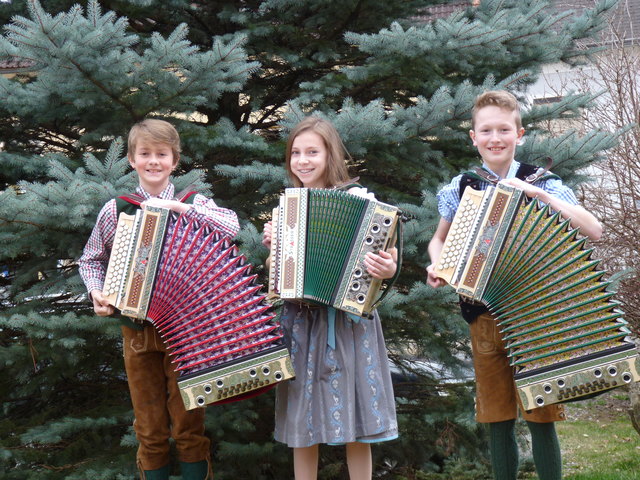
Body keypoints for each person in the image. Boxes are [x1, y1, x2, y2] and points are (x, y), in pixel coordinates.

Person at [426, 90, 602, 480]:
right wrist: (438, 263)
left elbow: (594, 229)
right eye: (486, 130)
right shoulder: (462, 186)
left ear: (518, 133)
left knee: (541, 414)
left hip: (533, 316)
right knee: (497, 417)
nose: (495, 138)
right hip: (482, 316)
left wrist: (539, 195)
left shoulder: (541, 181)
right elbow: (439, 238)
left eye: (504, 129)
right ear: (473, 137)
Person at [78, 119, 240, 480]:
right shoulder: (117, 208)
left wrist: (185, 211)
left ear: (174, 160)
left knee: (188, 426)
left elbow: (232, 227)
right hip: (136, 331)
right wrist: (96, 292)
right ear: (132, 160)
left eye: (161, 154)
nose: (154, 161)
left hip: (186, 333)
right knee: (149, 430)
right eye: (145, 154)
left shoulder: (193, 202)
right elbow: (90, 259)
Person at [262, 116, 398, 480]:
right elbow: (278, 280)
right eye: (296, 152)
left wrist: (386, 267)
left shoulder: (358, 199)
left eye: (312, 152)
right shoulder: (288, 207)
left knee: (356, 417)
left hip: (349, 322)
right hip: (302, 320)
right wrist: (274, 247)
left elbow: (389, 257)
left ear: (329, 154)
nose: (303, 160)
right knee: (302, 419)